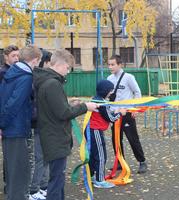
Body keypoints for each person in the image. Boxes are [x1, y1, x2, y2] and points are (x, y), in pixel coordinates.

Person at [33, 49, 98, 200]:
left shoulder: (48, 82)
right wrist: (85, 107)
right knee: (56, 180)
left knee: (57, 178)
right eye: (67, 67)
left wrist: (69, 104)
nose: (68, 71)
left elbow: (56, 107)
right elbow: (63, 113)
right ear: (60, 64)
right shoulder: (52, 84)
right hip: (55, 137)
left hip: (53, 135)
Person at [0, 45, 42, 200]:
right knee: (19, 173)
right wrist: (2, 124)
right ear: (35, 60)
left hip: (11, 129)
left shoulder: (12, 72)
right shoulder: (25, 77)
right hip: (16, 130)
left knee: (14, 172)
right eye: (39, 61)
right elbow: (13, 104)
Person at [107, 55, 147, 174]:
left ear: (120, 64)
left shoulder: (128, 77)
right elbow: (108, 98)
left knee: (133, 139)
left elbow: (137, 92)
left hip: (127, 114)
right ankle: (119, 162)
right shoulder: (109, 78)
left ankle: (142, 161)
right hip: (115, 115)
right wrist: (109, 112)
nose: (110, 67)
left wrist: (134, 109)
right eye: (109, 64)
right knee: (116, 140)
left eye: (113, 64)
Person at [86, 80, 126, 188]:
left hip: (93, 131)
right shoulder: (102, 103)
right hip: (95, 131)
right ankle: (99, 180)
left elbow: (106, 115)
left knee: (94, 155)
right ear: (105, 91)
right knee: (100, 155)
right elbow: (111, 118)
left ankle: (92, 176)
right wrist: (120, 113)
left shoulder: (98, 99)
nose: (111, 92)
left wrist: (115, 112)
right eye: (110, 90)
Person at [29, 50, 52, 200]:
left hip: (44, 124)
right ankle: (33, 190)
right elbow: (34, 104)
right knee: (39, 158)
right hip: (38, 125)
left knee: (44, 157)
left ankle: (42, 186)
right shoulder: (35, 80)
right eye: (50, 62)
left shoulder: (42, 78)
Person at [0, 44, 19, 195]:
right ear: (6, 57)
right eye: (13, 56)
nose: (16, 59)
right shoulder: (3, 73)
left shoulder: (17, 72)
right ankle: (9, 186)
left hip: (16, 121)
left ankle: (12, 185)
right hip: (6, 120)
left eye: (18, 56)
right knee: (8, 155)